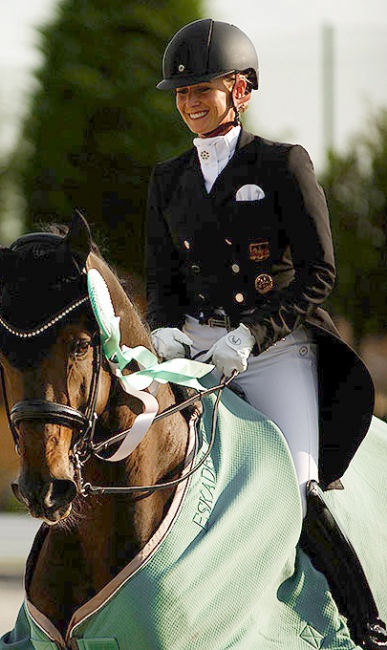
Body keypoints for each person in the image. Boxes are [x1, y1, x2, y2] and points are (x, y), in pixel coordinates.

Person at [146, 19, 386, 648]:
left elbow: (319, 272)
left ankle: (364, 624)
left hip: (273, 350)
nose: (190, 101)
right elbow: (162, 279)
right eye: (181, 92)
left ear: (241, 90)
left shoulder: (281, 163)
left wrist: (253, 335)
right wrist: (166, 332)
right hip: (195, 349)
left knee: (301, 490)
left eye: (203, 88)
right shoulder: (167, 179)